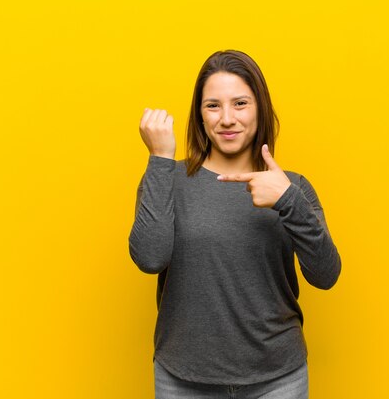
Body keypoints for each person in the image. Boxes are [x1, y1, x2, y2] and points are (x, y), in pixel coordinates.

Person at [128, 50, 341, 398]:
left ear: (260, 108)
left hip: (277, 379)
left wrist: (288, 201)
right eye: (213, 106)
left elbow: (326, 274)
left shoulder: (293, 186)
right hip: (183, 377)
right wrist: (159, 159)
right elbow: (150, 258)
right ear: (199, 114)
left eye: (240, 103)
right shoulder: (170, 178)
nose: (227, 119)